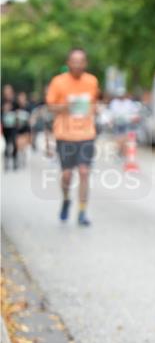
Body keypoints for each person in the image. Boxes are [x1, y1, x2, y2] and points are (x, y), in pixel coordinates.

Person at [46, 48, 101, 226]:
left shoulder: (92, 81)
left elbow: (94, 104)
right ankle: (66, 199)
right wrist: (67, 107)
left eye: (81, 61)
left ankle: (82, 211)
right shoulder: (58, 82)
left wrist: (94, 109)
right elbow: (50, 107)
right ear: (68, 63)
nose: (77, 65)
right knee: (67, 175)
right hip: (65, 133)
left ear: (85, 63)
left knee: (84, 172)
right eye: (74, 61)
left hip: (86, 133)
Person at [2, 85, 20, 171]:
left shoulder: (14, 101)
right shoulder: (2, 101)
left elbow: (18, 111)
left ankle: (15, 161)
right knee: (6, 144)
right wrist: (4, 109)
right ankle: (6, 162)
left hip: (13, 125)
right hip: (5, 126)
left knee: (14, 142)